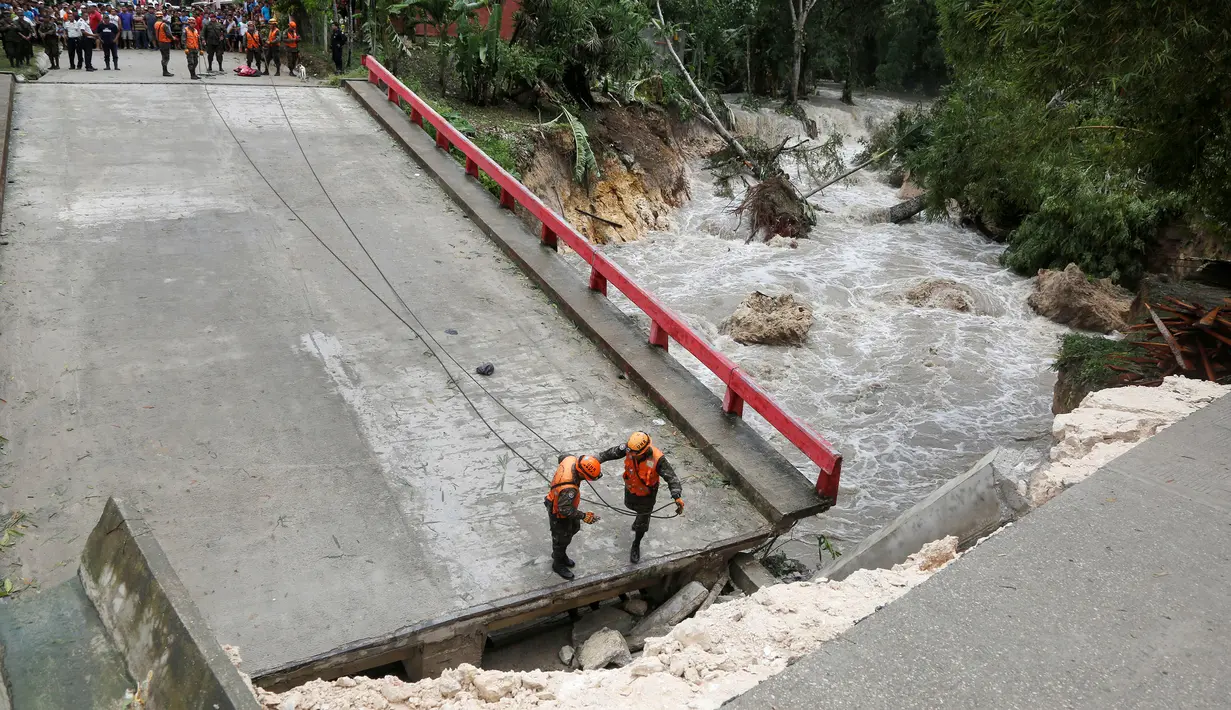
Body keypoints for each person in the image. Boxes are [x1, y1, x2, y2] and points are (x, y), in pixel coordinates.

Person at [596, 431, 684, 563]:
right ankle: (638, 521)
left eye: (634, 454)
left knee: (642, 522)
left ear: (643, 451)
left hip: (647, 495)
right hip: (631, 489)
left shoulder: (657, 459)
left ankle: (636, 544)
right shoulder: (630, 448)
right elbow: (611, 453)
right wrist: (595, 459)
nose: (630, 455)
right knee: (631, 507)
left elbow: (672, 478)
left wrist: (676, 495)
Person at [544, 454, 603, 580]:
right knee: (561, 538)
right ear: (582, 473)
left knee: (573, 529)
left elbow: (561, 457)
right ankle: (558, 563)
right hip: (558, 512)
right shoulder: (568, 489)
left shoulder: (570, 459)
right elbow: (564, 509)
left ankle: (561, 555)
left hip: (563, 503)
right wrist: (583, 515)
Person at [152, 9, 171, 75]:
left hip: (159, 41)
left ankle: (164, 71)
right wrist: (173, 38)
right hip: (165, 42)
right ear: (161, 17)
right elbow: (168, 34)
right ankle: (165, 71)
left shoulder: (155, 24)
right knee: (166, 57)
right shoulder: (164, 25)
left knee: (163, 56)